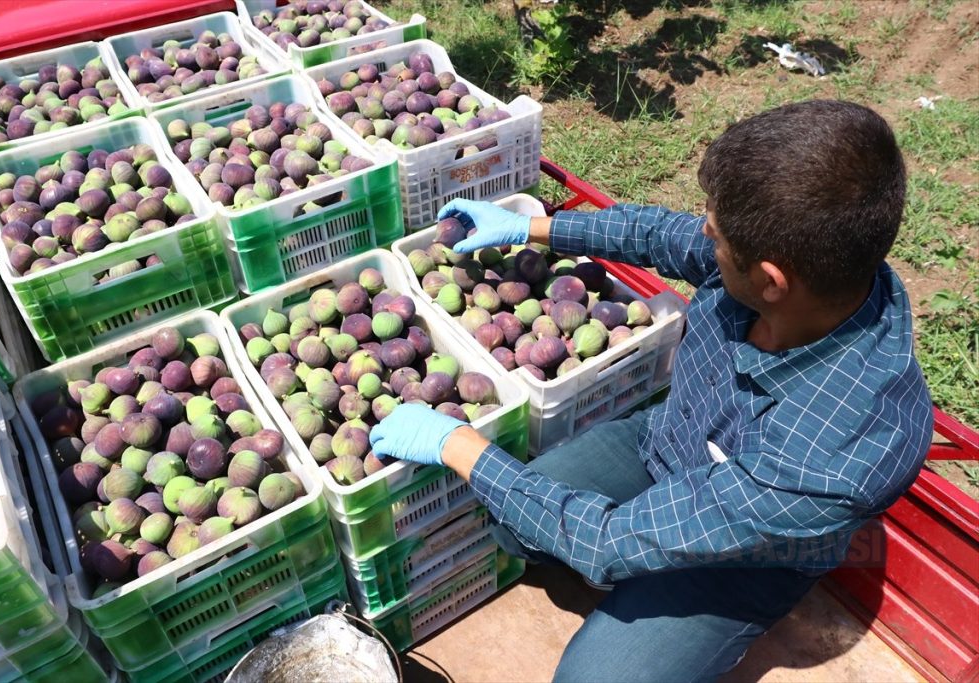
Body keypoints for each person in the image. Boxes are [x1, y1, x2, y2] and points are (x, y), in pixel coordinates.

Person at [369, 99, 934, 682]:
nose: (703, 237)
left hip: (744, 559)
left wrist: (459, 445)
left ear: (771, 281)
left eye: (715, 236)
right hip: (666, 444)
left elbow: (609, 542)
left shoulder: (844, 449)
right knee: (513, 520)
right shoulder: (799, 268)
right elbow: (662, 235)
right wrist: (536, 225)